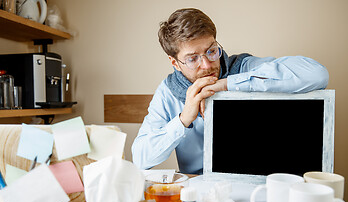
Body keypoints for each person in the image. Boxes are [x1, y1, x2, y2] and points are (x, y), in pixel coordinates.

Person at [132, 8, 329, 174]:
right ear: (175, 63)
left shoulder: (244, 68)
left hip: (257, 182)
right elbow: (141, 158)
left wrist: (227, 85)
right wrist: (183, 119)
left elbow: (317, 74)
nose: (208, 65)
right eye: (193, 58)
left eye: (211, 50)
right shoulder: (168, 92)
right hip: (201, 193)